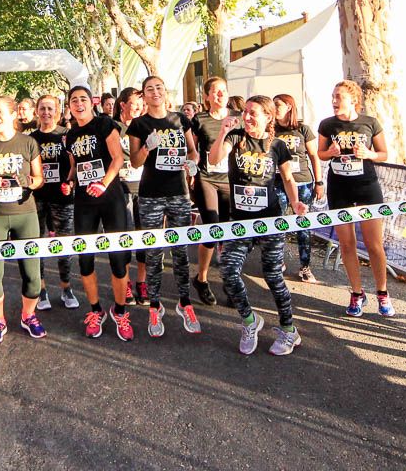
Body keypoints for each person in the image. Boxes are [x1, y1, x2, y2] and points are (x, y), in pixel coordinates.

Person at [209, 95, 304, 356]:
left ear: (268, 117)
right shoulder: (235, 137)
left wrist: (296, 203)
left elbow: (287, 178)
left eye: (254, 113)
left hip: (269, 220)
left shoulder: (277, 145)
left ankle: (288, 329)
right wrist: (222, 132)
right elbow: (215, 159)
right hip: (240, 221)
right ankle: (250, 321)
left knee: (273, 276)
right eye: (246, 112)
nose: (248, 117)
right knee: (228, 271)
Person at [127, 75, 202, 338]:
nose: (155, 92)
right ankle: (155, 305)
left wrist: (192, 163)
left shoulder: (180, 119)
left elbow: (193, 151)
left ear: (165, 91)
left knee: (180, 251)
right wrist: (148, 148)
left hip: (179, 193)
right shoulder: (139, 123)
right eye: (150, 89)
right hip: (150, 194)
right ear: (144, 96)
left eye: (159, 87)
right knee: (154, 251)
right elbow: (135, 162)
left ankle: (184, 301)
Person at [317, 80, 393, 317]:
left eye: (338, 96)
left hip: (366, 188)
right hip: (339, 189)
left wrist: (368, 153)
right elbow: (320, 153)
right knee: (346, 244)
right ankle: (357, 293)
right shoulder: (327, 124)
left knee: (373, 245)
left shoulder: (369, 122)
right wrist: (329, 153)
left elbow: (383, 154)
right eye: (332, 96)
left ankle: (382, 293)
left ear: (353, 100)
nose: (334, 101)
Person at [64, 85, 134, 341]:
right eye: (74, 100)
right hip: (84, 201)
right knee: (85, 259)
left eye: (83, 98)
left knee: (117, 259)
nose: (79, 103)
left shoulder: (105, 124)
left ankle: (121, 312)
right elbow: (75, 167)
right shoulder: (71, 135)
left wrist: (103, 183)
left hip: (110, 197)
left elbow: (118, 159)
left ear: (91, 102)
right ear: (69, 106)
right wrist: (69, 181)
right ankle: (95, 310)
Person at [0, 96, 47, 342]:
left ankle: (28, 315)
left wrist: (28, 181)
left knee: (32, 272)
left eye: (0, 112)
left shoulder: (28, 143)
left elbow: (39, 179)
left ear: (13, 114)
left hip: (25, 214)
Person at [190, 77, 237, 306]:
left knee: (228, 232)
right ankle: (202, 278)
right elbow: (193, 150)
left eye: (223, 91)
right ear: (207, 96)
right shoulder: (200, 119)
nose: (220, 95)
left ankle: (230, 282)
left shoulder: (237, 118)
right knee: (212, 226)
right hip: (206, 177)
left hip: (230, 179)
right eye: (215, 92)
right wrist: (191, 169)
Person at [31, 94, 79, 311]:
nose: (46, 112)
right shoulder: (30, 139)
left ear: (58, 111)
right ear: (37, 111)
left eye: (50, 109)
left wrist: (71, 182)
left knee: (64, 243)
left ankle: (66, 287)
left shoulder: (66, 135)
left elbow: (75, 164)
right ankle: (41, 289)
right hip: (37, 199)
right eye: (42, 108)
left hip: (62, 198)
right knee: (37, 243)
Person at [274, 94, 322, 283]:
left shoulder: (303, 129)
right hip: (279, 182)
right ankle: (279, 262)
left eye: (278, 105)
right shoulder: (271, 130)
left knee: (303, 225)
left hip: (303, 182)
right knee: (279, 222)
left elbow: (314, 156)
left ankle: (305, 266)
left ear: (289, 106)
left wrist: (319, 182)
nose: (275, 108)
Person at [113, 87, 146, 305]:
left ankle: (141, 282)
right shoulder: (112, 127)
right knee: (124, 237)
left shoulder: (145, 125)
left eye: (140, 105)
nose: (137, 108)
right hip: (121, 188)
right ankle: (124, 284)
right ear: (123, 104)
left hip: (144, 187)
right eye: (133, 103)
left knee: (144, 237)